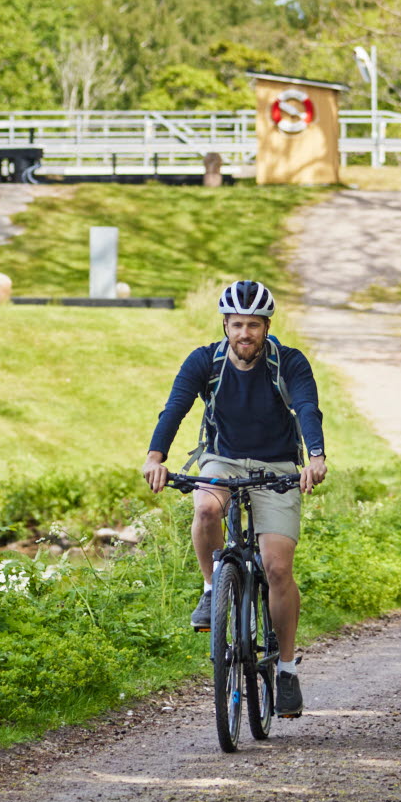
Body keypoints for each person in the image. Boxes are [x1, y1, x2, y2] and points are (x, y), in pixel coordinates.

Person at [142, 279, 327, 718]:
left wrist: (315, 456)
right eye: (237, 325)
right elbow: (176, 407)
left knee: (278, 567)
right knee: (206, 507)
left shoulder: (289, 363)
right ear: (225, 325)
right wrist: (155, 457)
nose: (245, 334)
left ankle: (285, 669)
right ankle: (211, 588)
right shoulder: (205, 361)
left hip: (278, 467)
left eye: (254, 325)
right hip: (221, 459)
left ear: (267, 327)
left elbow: (307, 408)